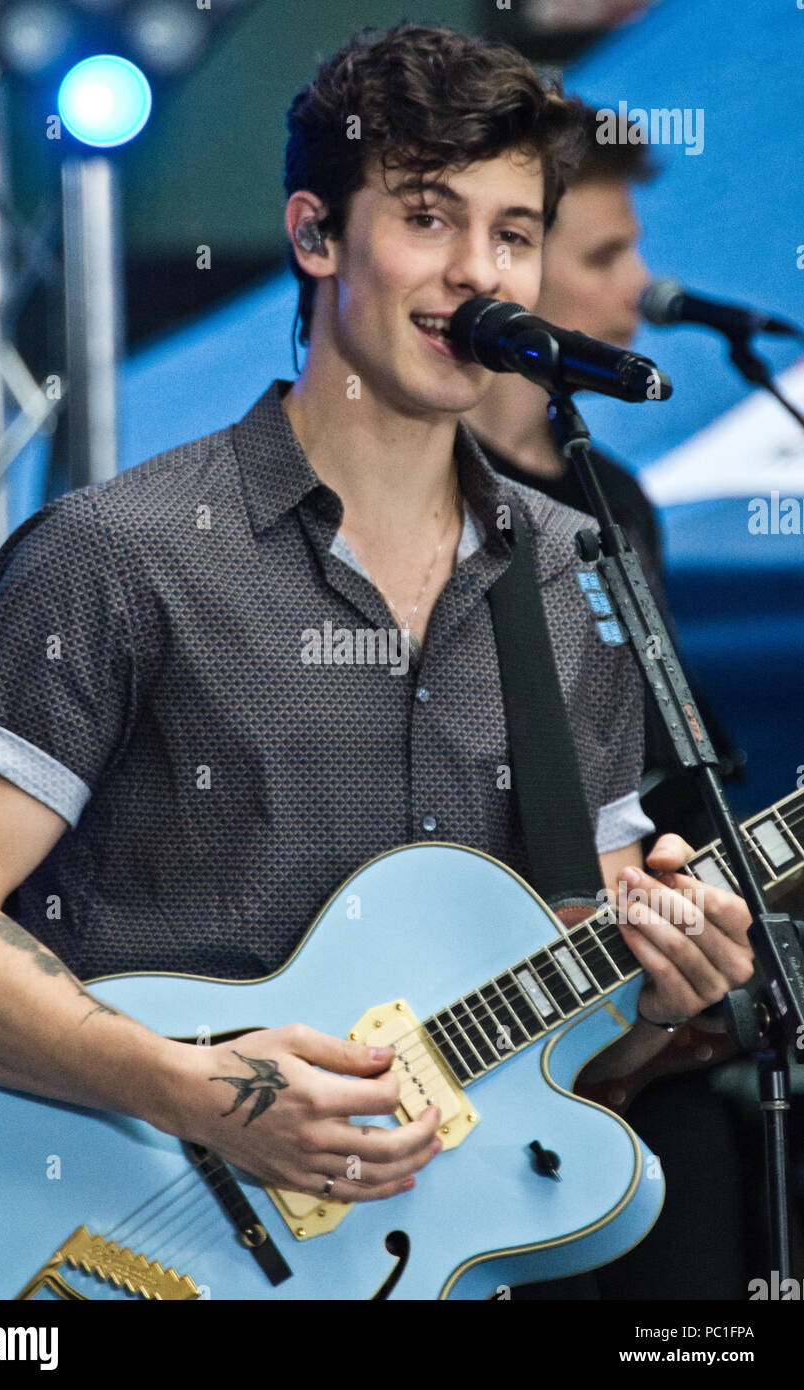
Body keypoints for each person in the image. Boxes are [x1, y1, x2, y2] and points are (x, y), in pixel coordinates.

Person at [0, 22, 754, 1294]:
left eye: (513, 234)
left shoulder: (578, 570)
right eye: (429, 217)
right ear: (314, 235)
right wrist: (201, 1092)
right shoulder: (121, 553)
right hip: (117, 1240)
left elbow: (583, 1038)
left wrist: (665, 990)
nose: (479, 274)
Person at [462, 102, 753, 1299]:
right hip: (463, 1060)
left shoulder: (607, 498)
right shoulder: (415, 510)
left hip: (624, 1045)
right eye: (602, 255)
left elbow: (665, 777)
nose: (643, 284)